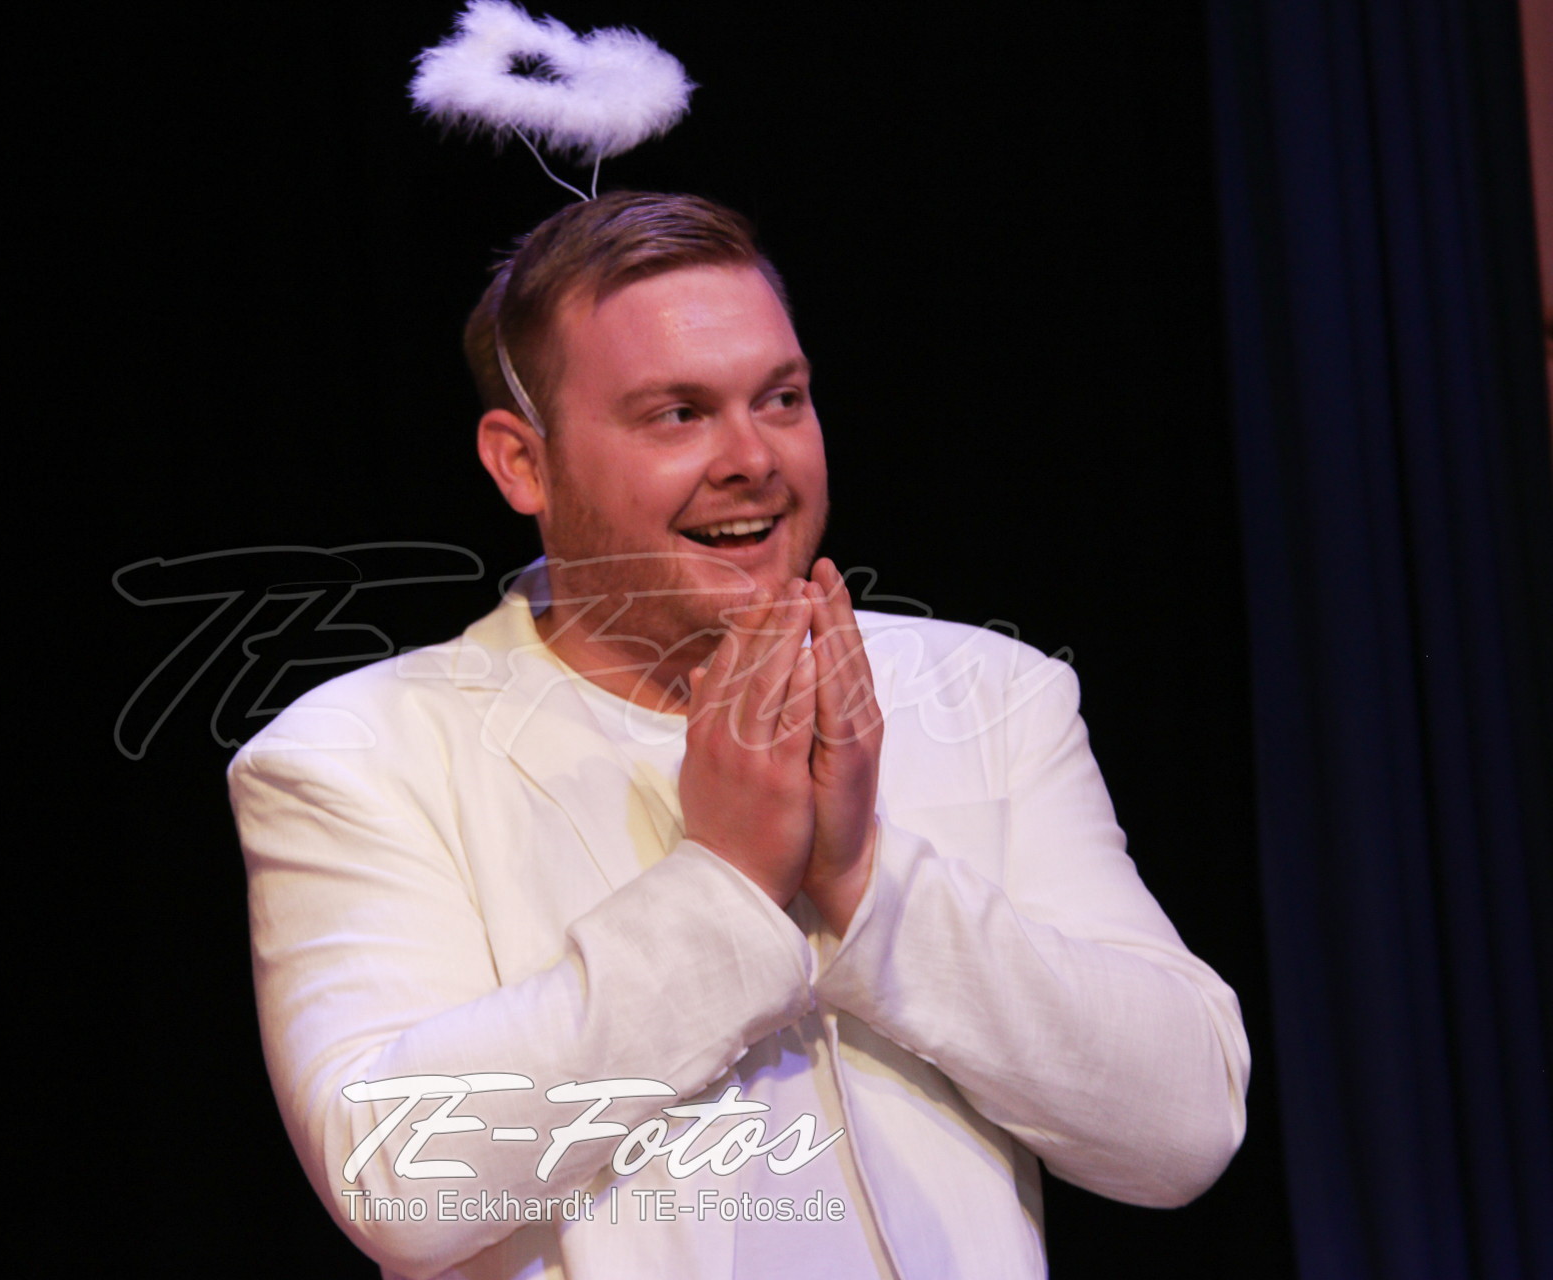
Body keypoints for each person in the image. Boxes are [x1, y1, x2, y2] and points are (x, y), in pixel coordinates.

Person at [228, 191, 1250, 1280]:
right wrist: (724, 885)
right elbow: (400, 1180)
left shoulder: (993, 696)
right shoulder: (359, 754)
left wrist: (862, 878)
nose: (753, 458)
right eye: (678, 414)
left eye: (781, 399)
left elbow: (1184, 1126)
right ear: (522, 462)